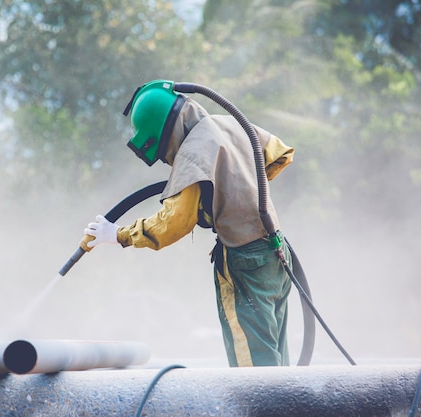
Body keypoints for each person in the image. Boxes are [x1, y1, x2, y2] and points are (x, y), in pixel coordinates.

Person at [80, 80, 295, 367]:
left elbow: (172, 225)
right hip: (276, 253)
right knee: (275, 357)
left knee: (254, 369)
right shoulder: (226, 124)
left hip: (245, 263)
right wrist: (234, 195)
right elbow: (278, 154)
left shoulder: (192, 155)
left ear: (163, 134)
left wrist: (118, 235)